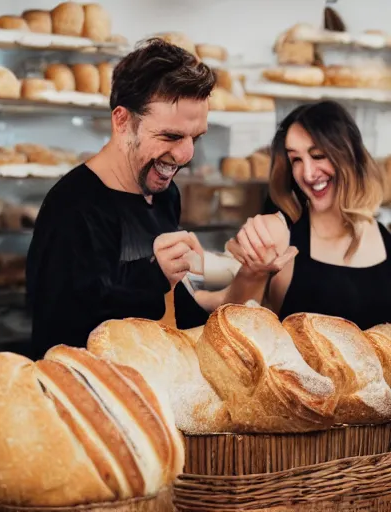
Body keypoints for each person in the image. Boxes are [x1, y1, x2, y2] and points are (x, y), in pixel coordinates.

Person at [25, 38, 215, 359]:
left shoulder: (167, 195)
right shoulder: (72, 208)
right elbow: (60, 331)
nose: (185, 155)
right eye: (171, 136)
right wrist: (152, 275)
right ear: (122, 121)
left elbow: (173, 309)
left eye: (195, 138)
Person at [217, 100, 390, 329]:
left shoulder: (384, 239)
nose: (307, 174)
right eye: (296, 160)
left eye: (318, 155)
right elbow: (234, 326)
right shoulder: (279, 235)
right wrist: (251, 273)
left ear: (350, 155)